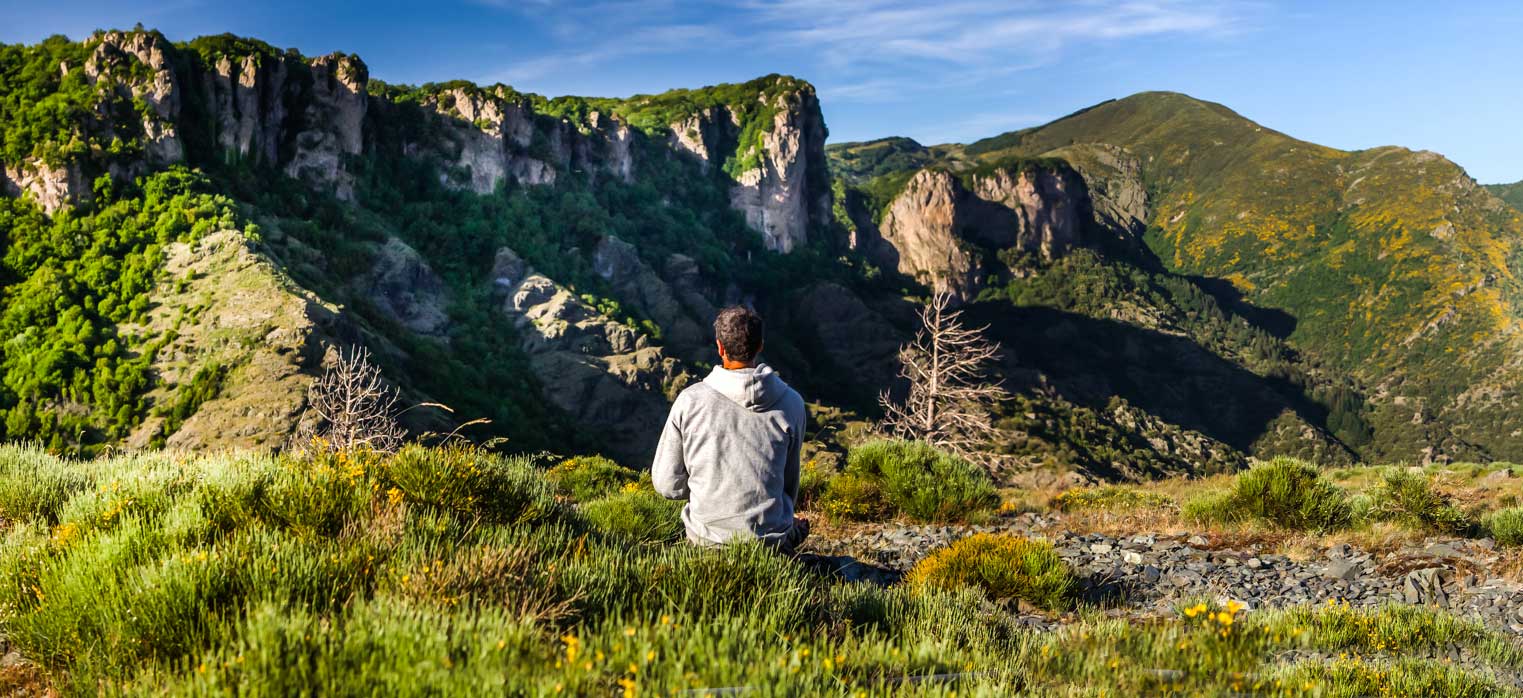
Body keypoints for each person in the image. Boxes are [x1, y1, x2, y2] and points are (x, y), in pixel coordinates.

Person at [652, 305, 810, 553]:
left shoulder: (690, 401)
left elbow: (666, 485)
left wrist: (706, 485)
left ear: (720, 347)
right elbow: (788, 485)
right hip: (768, 544)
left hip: (705, 541)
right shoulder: (792, 403)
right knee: (794, 526)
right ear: (760, 346)